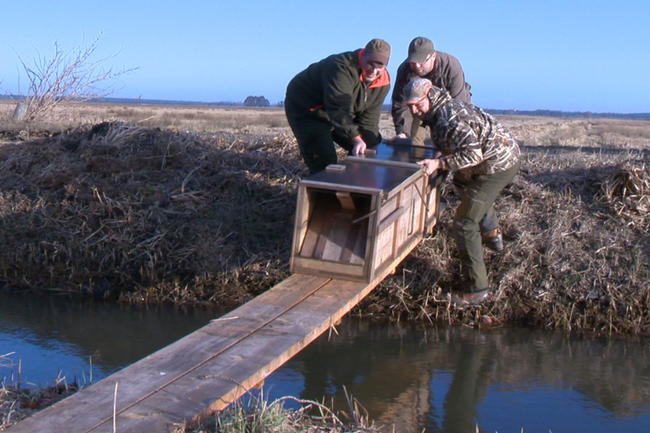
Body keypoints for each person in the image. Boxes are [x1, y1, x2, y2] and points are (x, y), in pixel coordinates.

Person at [403, 77, 520, 305]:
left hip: (497, 165)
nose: (415, 110)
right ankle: (492, 234)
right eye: (410, 107)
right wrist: (442, 154)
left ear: (429, 94)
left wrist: (438, 164)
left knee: (464, 222)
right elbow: (456, 144)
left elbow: (473, 155)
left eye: (417, 104)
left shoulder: (449, 118)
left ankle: (476, 289)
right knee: (462, 182)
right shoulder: (438, 110)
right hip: (495, 158)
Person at [285, 39, 391, 174]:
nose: (373, 70)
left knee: (371, 148)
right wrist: (356, 139)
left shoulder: (383, 83)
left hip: (339, 114)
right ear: (363, 54)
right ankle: (322, 190)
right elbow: (339, 109)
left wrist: (370, 143)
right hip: (309, 109)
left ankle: (358, 186)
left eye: (379, 66)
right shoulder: (341, 68)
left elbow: (369, 120)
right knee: (325, 162)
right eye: (370, 64)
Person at [391, 37, 472, 145]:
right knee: (413, 143)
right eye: (413, 62)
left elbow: (459, 104)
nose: (417, 66)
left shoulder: (451, 65)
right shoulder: (404, 70)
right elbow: (400, 104)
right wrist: (402, 132)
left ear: (433, 56)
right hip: (419, 108)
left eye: (421, 62)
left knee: (456, 144)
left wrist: (450, 143)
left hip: (449, 107)